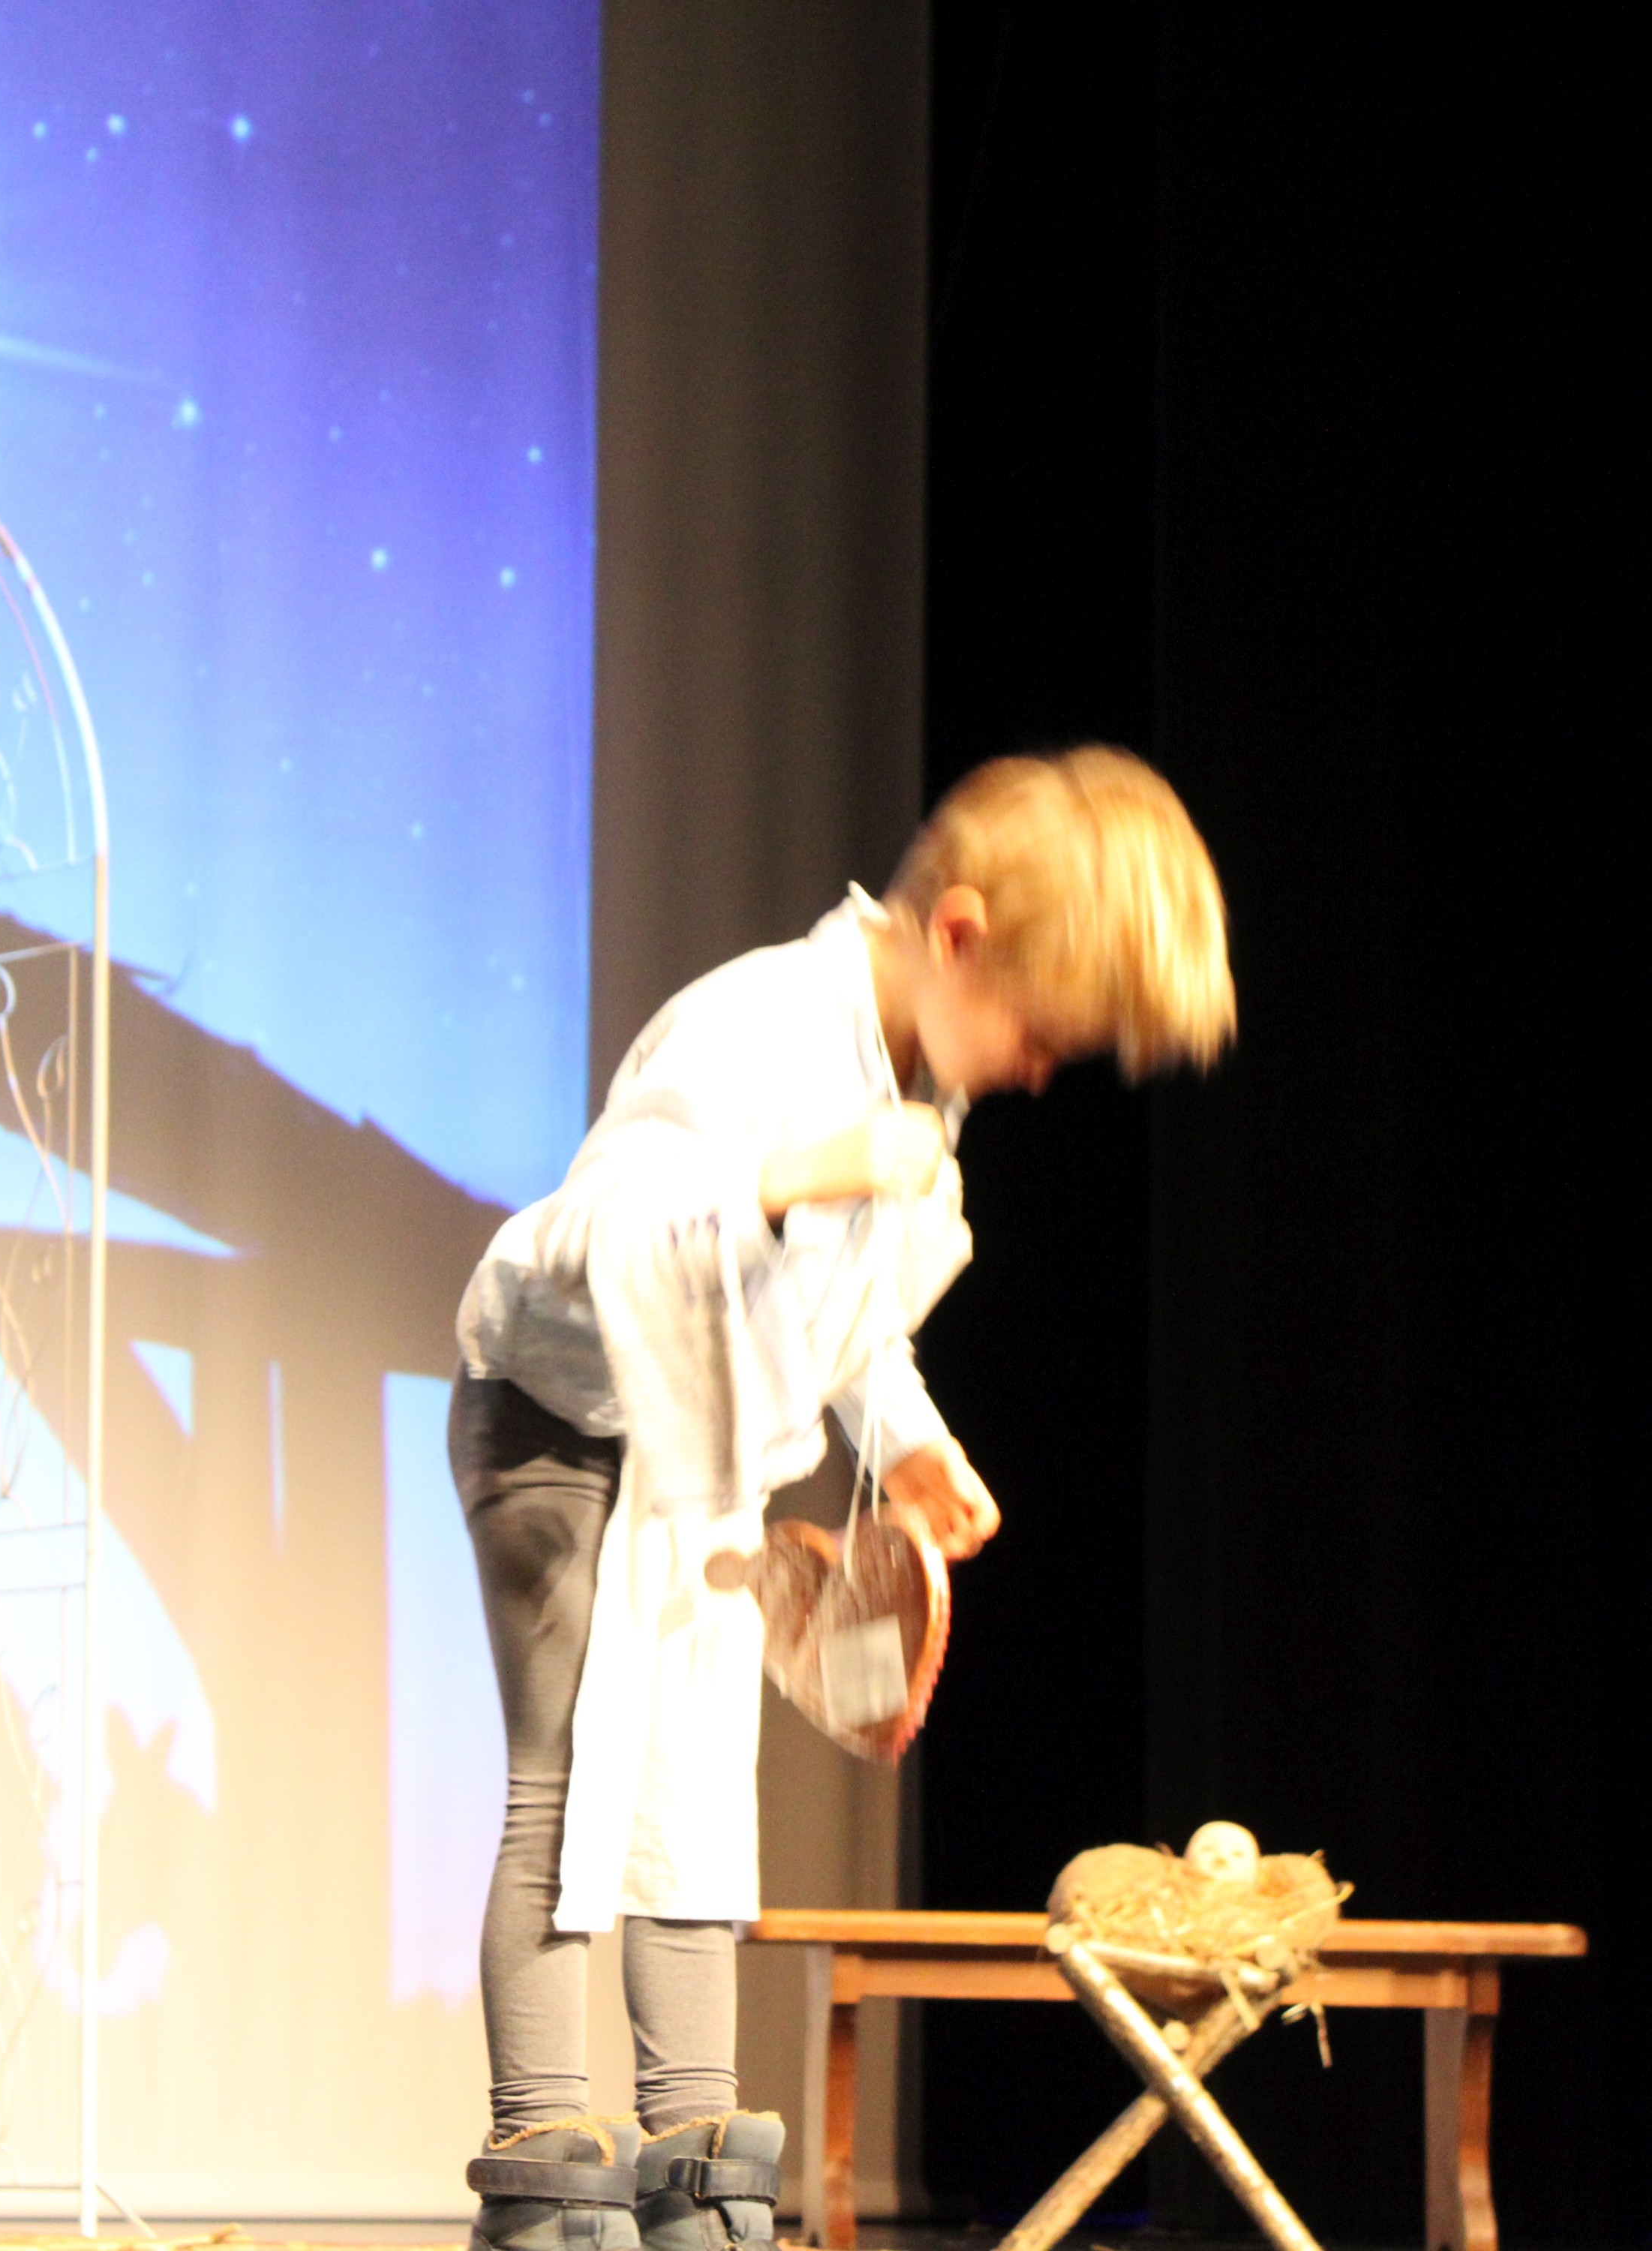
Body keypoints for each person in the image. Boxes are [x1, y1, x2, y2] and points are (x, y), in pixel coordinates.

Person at [448, 747, 1236, 2251]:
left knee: (692, 1785)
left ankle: (691, 2159)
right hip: (559, 1418)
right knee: (574, 1773)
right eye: (1041, 1034)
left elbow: (841, 1321)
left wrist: (911, 1439)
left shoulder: (915, 1088)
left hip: (698, 1459)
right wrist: (795, 1169)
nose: (1037, 1071)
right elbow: (608, 1224)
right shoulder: (754, 1024)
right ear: (959, 934)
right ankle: (542, 2155)